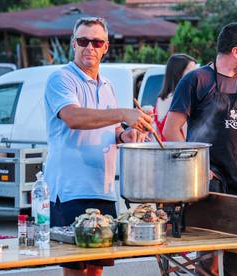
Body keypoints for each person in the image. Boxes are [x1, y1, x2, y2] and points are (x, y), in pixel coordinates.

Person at [43, 17, 152, 276]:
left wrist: (126, 135)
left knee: (96, 267)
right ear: (73, 44)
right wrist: (123, 114)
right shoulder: (61, 78)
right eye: (83, 41)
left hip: (102, 188)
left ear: (105, 47)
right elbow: (73, 117)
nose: (89, 47)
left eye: (96, 42)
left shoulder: (107, 85)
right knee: (76, 267)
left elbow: (112, 129)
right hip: (71, 190)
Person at [163, 22, 237, 276]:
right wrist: (197, 168)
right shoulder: (198, 80)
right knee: (208, 259)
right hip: (212, 182)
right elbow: (171, 130)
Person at [153, 54, 197, 140]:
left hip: (164, 150)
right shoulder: (180, 100)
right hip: (179, 151)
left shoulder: (161, 99)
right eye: (191, 71)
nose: (195, 75)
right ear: (178, 73)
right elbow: (186, 136)